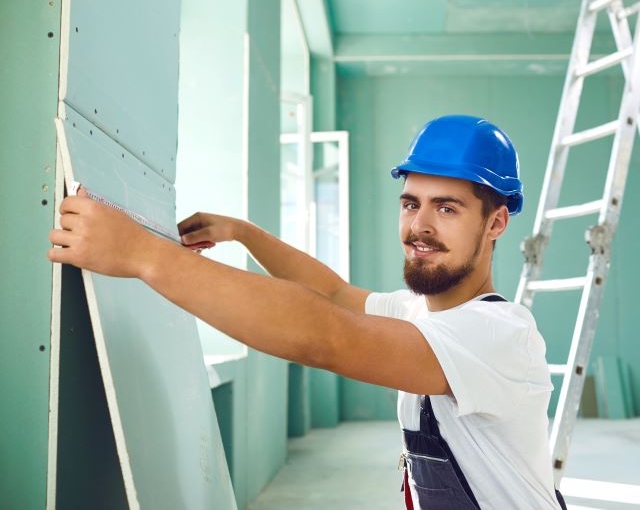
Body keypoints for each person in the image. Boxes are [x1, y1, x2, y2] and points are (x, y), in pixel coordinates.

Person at [48, 114, 565, 509]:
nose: (419, 226)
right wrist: (243, 233)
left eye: (446, 208)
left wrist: (141, 254)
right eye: (411, 203)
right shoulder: (417, 313)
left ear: (496, 224)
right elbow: (336, 296)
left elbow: (328, 335)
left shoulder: (499, 333)